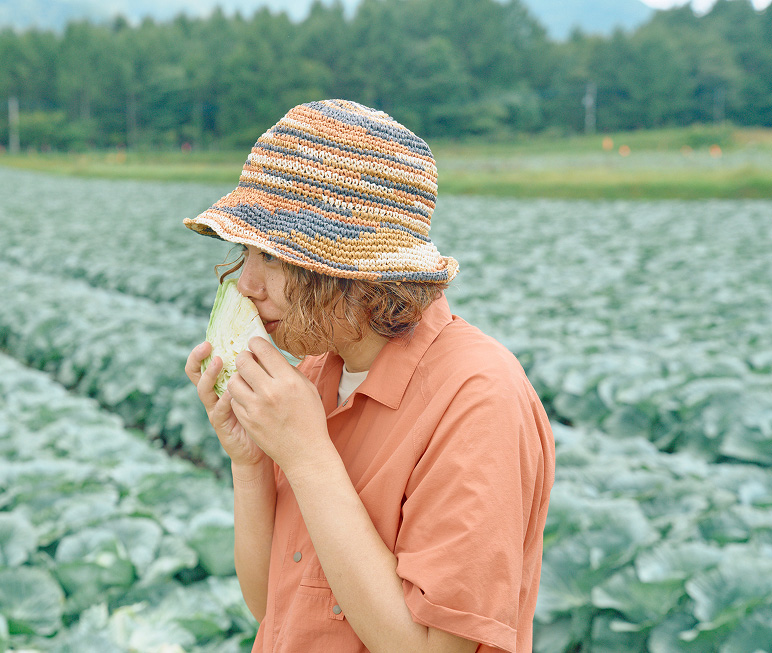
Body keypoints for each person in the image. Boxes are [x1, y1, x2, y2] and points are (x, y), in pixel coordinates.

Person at [183, 99, 555, 653]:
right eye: (246, 251)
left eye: (276, 258)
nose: (247, 284)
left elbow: (429, 648)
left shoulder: (479, 397)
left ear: (357, 270)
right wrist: (252, 460)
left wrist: (308, 456)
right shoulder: (317, 369)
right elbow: (270, 606)